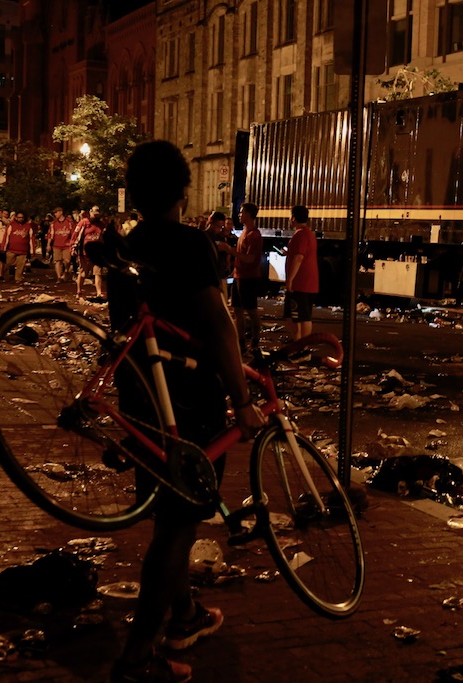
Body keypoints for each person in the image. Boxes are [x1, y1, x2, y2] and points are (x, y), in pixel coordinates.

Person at [108, 140, 264, 683]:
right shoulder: (191, 244)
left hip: (141, 397)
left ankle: (185, 614)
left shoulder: (130, 243)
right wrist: (241, 402)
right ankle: (136, 657)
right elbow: (218, 325)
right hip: (189, 400)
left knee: (164, 517)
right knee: (177, 529)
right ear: (182, 190)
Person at [232, 202, 264, 355]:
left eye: (242, 211)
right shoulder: (244, 232)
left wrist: (230, 251)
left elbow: (250, 259)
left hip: (248, 278)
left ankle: (255, 342)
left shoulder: (254, 235)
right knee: (237, 310)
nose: (239, 214)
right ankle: (241, 342)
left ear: (250, 215)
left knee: (251, 311)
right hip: (238, 276)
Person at [283, 205, 319, 341]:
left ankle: (302, 347)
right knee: (299, 316)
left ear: (293, 218)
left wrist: (290, 280)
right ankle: (301, 346)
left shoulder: (300, 234)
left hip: (300, 283)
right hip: (307, 283)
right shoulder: (308, 234)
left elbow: (299, 258)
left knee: (299, 317)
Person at [73, 211, 106, 299]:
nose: (96, 215)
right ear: (90, 212)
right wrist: (73, 247)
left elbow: (104, 237)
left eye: (97, 213)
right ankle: (79, 291)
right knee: (83, 273)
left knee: (98, 273)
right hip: (84, 252)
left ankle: (99, 292)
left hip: (97, 252)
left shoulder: (102, 225)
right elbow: (75, 235)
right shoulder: (83, 223)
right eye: (94, 213)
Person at [0, 211, 36, 283]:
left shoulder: (28, 227)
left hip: (23, 251)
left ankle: (18, 279)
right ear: (16, 217)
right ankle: (9, 275)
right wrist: (3, 247)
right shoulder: (11, 225)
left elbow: (31, 239)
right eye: (19, 217)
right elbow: (6, 237)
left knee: (20, 266)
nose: (20, 219)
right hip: (11, 249)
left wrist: (32, 251)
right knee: (9, 263)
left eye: (22, 217)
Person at [49, 207, 76, 282]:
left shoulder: (69, 223)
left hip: (67, 245)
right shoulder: (53, 224)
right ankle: (59, 277)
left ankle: (66, 271)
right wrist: (48, 244)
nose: (55, 214)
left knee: (67, 261)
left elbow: (73, 234)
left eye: (56, 212)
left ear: (61, 212)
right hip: (56, 245)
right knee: (57, 261)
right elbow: (50, 235)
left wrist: (73, 244)